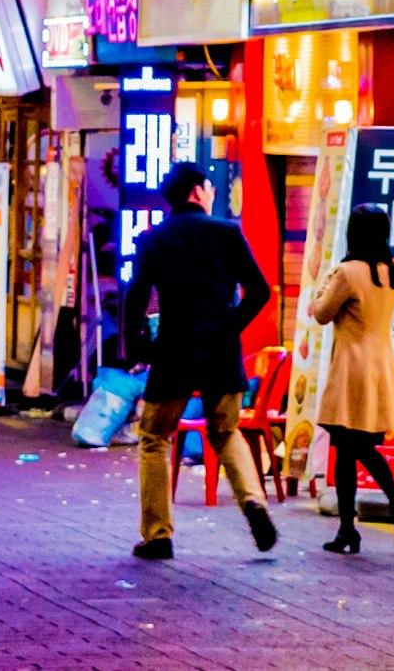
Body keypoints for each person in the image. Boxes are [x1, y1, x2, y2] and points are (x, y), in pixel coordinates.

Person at [119, 164, 276, 557]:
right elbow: (258, 290)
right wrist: (228, 327)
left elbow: (136, 297)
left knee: (155, 437)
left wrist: (133, 346)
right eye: (208, 187)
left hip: (174, 348)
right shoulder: (226, 232)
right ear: (196, 192)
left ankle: (158, 535)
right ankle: (253, 502)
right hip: (220, 351)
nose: (211, 193)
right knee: (226, 432)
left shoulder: (154, 239)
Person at [303, 205, 394, 553]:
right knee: (350, 448)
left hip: (351, 368)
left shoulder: (347, 272)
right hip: (383, 363)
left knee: (354, 447)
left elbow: (321, 313)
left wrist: (324, 282)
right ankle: (347, 530)